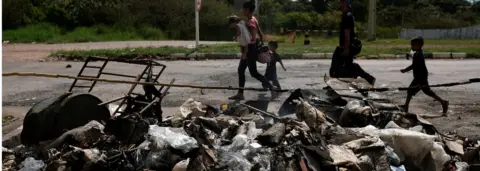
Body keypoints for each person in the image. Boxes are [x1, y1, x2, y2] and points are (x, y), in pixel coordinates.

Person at [229, 0, 274, 100]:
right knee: (241, 70)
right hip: (250, 49)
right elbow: (260, 34)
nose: (242, 10)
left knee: (253, 72)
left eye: (243, 9)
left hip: (250, 49)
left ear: (247, 10)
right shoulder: (253, 19)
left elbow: (252, 38)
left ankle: (271, 87)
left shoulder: (251, 22)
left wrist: (245, 52)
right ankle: (240, 94)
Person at [329, 0, 376, 85]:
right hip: (345, 46)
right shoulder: (347, 14)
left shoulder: (347, 15)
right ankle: (368, 78)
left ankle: (363, 77)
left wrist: (346, 48)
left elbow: (347, 32)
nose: (339, 3)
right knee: (345, 66)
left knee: (335, 68)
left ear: (345, 3)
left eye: (341, 2)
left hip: (347, 46)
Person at [400, 36, 449, 114]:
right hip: (420, 76)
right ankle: (443, 102)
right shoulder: (418, 53)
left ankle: (443, 102)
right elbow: (414, 58)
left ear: (419, 45)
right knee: (422, 91)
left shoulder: (418, 54)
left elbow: (414, 65)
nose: (411, 47)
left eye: (413, 45)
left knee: (414, 90)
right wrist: (410, 55)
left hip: (420, 77)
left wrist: (405, 70)